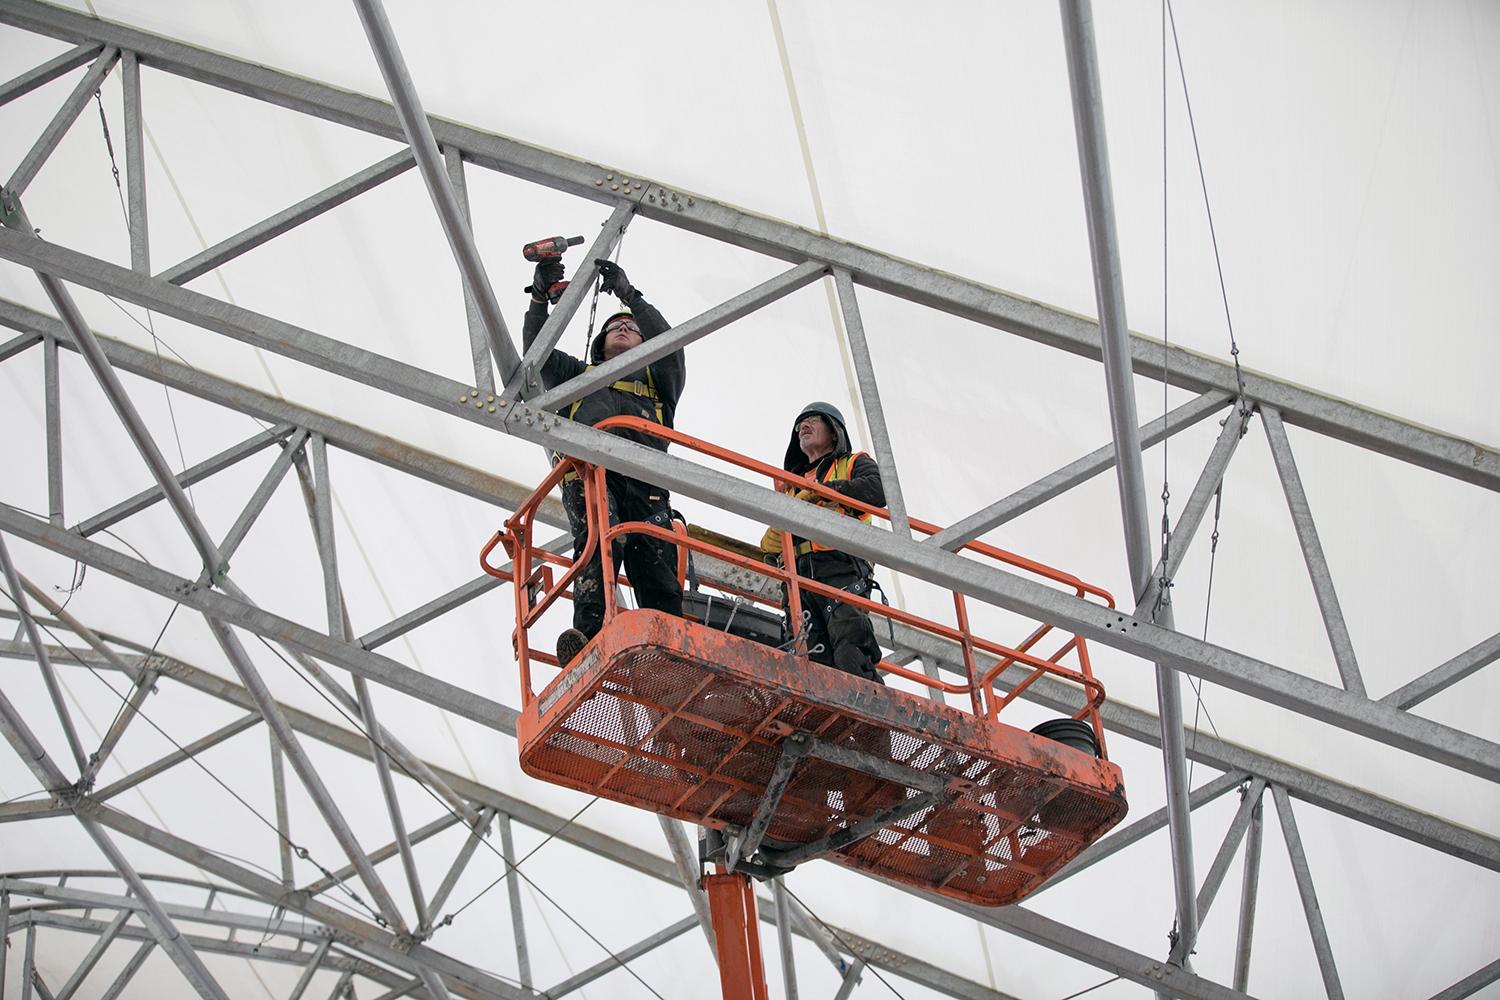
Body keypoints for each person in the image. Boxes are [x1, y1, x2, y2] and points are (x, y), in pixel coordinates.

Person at [523, 256, 685, 665]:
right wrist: (540, 300)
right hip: (591, 476)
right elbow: (535, 355)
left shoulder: (660, 385)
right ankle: (590, 638)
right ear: (600, 344)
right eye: (615, 327)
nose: (625, 327)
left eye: (632, 326)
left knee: (656, 566)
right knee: (600, 542)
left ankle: (669, 650)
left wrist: (630, 295)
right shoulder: (579, 376)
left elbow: (670, 344)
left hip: (647, 485)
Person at [760, 402, 885, 684]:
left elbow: (877, 490)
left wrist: (824, 493)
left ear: (834, 432)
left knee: (850, 652)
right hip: (798, 579)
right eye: (799, 424)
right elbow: (771, 546)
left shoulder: (852, 463)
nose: (803, 426)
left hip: (840, 569)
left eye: (813, 420)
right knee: (808, 662)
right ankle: (823, 727)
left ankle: (872, 727)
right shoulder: (790, 485)